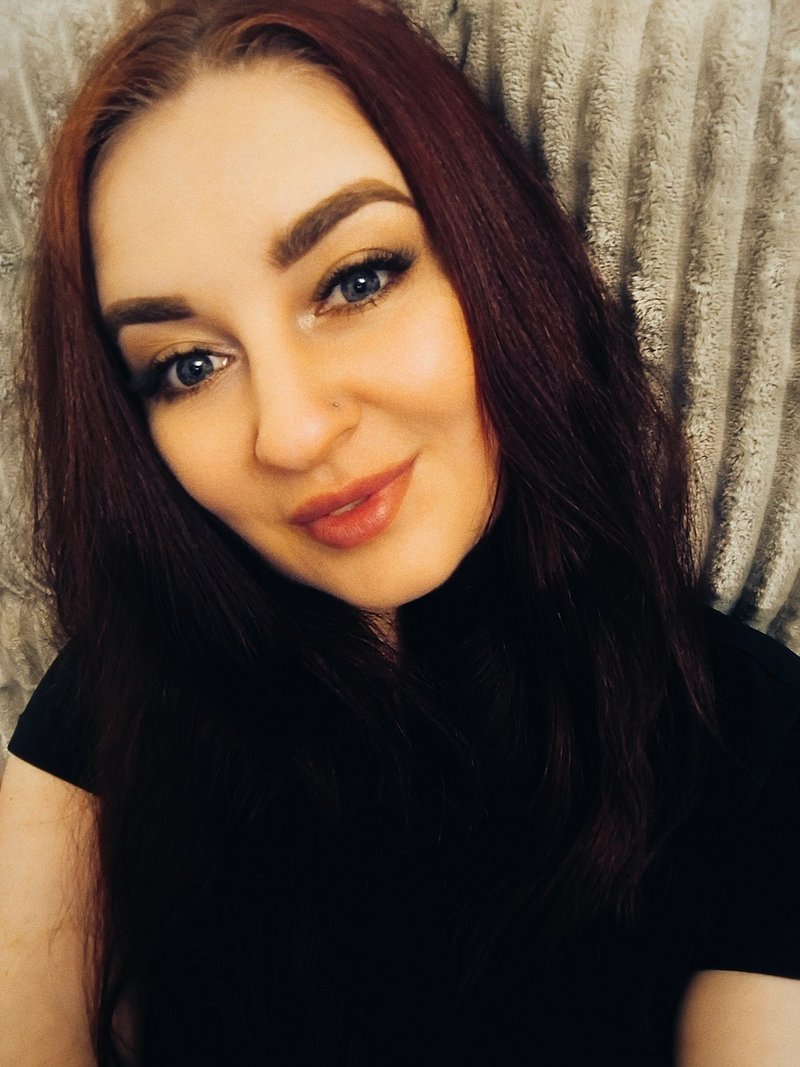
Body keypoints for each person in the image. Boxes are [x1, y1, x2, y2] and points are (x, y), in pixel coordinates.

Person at [0, 0, 798, 1063]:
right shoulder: (124, 692)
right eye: (188, 364)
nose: (291, 432)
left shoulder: (750, 742)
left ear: (492, 256)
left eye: (358, 279)